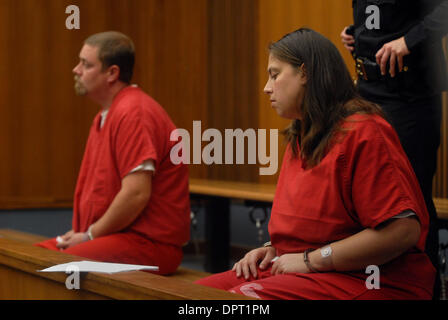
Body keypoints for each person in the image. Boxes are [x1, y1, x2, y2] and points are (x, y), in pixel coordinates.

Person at [195, 28, 436, 300]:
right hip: (309, 270)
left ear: (305, 73)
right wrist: (273, 248)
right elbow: (313, 228)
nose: (266, 87)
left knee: (240, 302)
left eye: (275, 75)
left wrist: (312, 260)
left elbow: (402, 231)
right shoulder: (301, 133)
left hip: (369, 279)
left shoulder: (364, 131)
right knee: (187, 296)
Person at [35, 31, 190, 275]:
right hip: (117, 237)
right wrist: (83, 235)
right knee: (28, 258)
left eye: (86, 64)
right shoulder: (109, 113)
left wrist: (89, 235)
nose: (76, 70)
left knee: (48, 268)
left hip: (147, 245)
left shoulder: (134, 112)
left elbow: (136, 193)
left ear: (112, 73)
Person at [340, 0, 448, 297]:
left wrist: (408, 41)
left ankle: (424, 292)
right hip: (367, 92)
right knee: (367, 199)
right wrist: (358, 33)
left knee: (411, 202)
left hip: (409, 96)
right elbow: (384, 16)